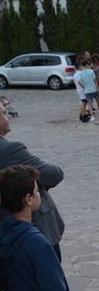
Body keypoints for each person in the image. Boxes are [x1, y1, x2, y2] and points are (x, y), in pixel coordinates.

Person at [0, 165, 81, 291]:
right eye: (36, 191)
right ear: (28, 199)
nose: (39, 194)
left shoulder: (5, 233)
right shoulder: (36, 243)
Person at [0, 101, 66, 262]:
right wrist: (33, 185)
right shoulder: (9, 150)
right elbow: (53, 174)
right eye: (3, 114)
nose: (8, 117)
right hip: (32, 226)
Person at [78, 58, 99, 122]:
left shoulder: (81, 73)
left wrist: (84, 86)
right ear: (87, 64)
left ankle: (92, 116)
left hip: (87, 90)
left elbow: (79, 82)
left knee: (89, 104)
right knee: (98, 100)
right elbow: (94, 80)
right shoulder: (91, 71)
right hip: (93, 89)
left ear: (82, 65)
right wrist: (97, 88)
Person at [72, 57, 90, 122]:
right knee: (84, 102)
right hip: (82, 90)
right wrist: (85, 87)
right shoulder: (78, 74)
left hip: (80, 90)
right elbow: (80, 82)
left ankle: (81, 114)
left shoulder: (76, 74)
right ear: (79, 67)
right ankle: (83, 115)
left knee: (84, 102)